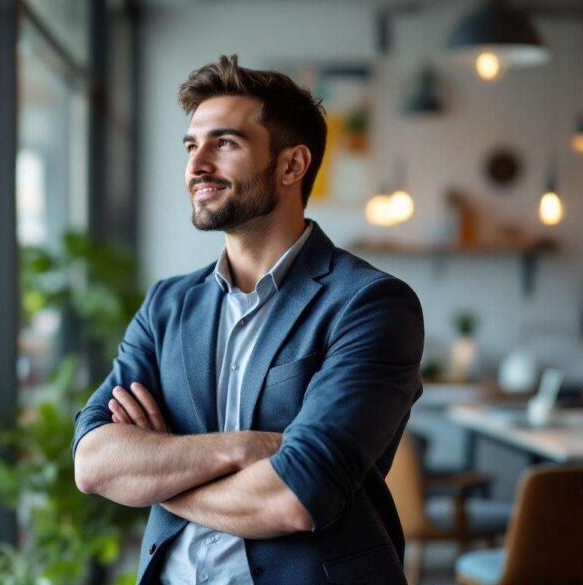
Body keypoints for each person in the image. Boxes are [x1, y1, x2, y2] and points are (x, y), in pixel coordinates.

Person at [72, 55, 423, 584]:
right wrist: (244, 447)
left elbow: (295, 496)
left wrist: (158, 476)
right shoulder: (168, 305)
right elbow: (94, 463)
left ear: (292, 165)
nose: (197, 165)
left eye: (225, 143)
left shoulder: (371, 304)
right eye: (191, 146)